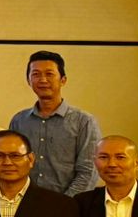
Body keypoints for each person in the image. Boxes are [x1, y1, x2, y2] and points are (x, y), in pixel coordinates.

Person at [10, 50, 101, 196]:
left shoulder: (84, 121)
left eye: (49, 74)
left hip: (70, 203)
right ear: (28, 80)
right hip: (26, 202)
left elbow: (88, 172)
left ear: (63, 80)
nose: (43, 80)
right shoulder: (19, 121)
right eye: (36, 74)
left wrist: (64, 203)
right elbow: (13, 165)